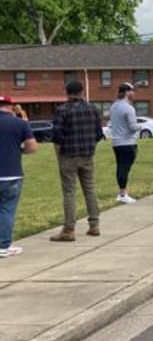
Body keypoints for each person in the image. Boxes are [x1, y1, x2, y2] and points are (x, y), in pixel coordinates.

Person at [50, 81, 105, 242]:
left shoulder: (62, 110)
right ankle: (94, 225)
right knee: (90, 189)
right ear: (82, 92)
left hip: (68, 155)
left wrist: (58, 154)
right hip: (87, 155)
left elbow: (57, 135)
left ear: (66, 92)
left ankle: (69, 229)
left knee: (69, 191)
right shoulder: (92, 109)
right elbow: (98, 133)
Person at [0, 95, 38, 258]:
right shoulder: (20, 124)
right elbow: (32, 147)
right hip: (11, 173)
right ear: (11, 106)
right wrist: (18, 150)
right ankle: (3, 244)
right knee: (7, 209)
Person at [109, 83, 140, 204]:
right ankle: (123, 194)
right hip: (128, 142)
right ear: (127, 92)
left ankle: (121, 192)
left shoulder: (113, 106)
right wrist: (140, 126)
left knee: (120, 167)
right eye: (132, 91)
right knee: (125, 168)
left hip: (116, 142)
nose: (134, 93)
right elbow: (133, 127)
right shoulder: (129, 108)